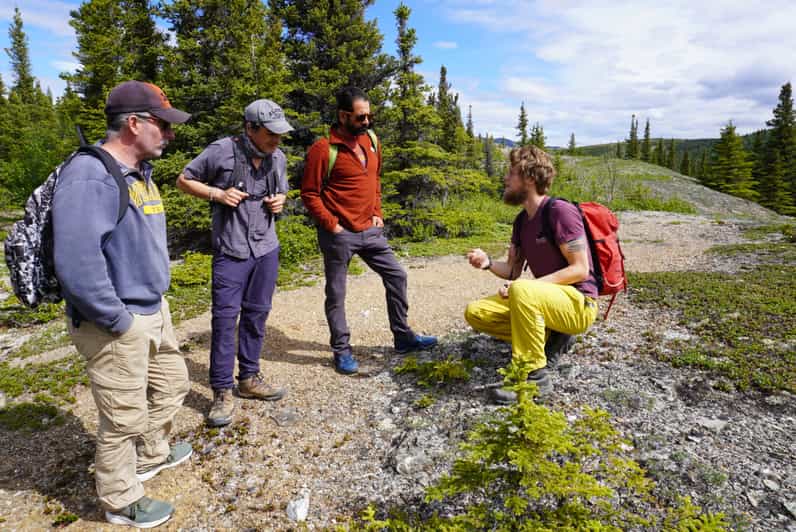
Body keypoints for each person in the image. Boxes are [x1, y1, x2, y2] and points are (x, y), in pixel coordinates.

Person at [53, 81, 192, 528]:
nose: (169, 136)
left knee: (173, 385)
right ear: (134, 124)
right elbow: (76, 259)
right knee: (121, 416)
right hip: (115, 319)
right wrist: (116, 318)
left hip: (152, 307)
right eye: (162, 126)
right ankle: (120, 499)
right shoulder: (90, 175)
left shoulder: (140, 173)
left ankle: (152, 454)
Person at [301, 86, 437, 375]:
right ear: (343, 115)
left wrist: (377, 212)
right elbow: (310, 194)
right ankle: (342, 350)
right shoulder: (323, 149)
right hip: (339, 234)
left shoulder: (372, 140)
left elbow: (375, 180)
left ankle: (403, 337)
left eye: (369, 116)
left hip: (370, 230)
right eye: (361, 117)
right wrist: (331, 224)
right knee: (336, 294)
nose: (366, 122)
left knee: (397, 275)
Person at [176, 99, 292, 427]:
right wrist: (217, 194)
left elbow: (283, 193)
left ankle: (250, 378)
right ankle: (222, 390)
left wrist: (280, 201)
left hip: (266, 249)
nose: (276, 140)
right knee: (226, 321)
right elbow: (183, 180)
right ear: (250, 128)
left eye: (279, 134)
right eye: (270, 134)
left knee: (257, 315)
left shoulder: (278, 158)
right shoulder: (221, 151)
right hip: (231, 251)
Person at [465, 145, 599, 404]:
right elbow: (513, 271)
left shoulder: (560, 212)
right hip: (544, 300)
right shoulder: (521, 222)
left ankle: (534, 378)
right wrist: (487, 263)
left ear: (529, 177)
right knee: (475, 311)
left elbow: (580, 269)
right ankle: (547, 334)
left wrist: (526, 287)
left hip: (579, 304)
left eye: (511, 173)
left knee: (522, 290)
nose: (505, 179)